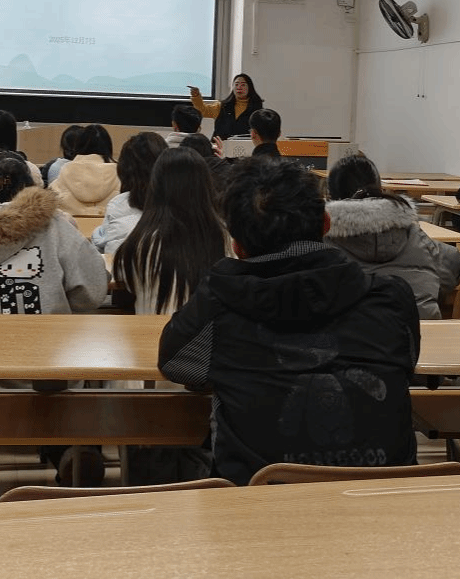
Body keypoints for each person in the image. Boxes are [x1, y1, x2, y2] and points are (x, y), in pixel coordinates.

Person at [158, 159, 420, 486]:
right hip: (385, 498)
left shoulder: (218, 303)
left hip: (259, 501)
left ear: (237, 246)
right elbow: (406, 364)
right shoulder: (391, 298)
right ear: (326, 223)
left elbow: (176, 365)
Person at [0, 152, 110, 503]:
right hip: (48, 369)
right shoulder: (54, 226)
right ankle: (74, 454)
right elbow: (92, 292)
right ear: (32, 190)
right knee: (60, 394)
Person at [113, 147, 225, 483]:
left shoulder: (139, 242)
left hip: (149, 373)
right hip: (206, 373)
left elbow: (126, 290)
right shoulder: (222, 238)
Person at [325, 153, 460, 319]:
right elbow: (454, 266)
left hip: (348, 333)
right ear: (380, 189)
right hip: (417, 332)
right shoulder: (415, 236)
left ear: (330, 196)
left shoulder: (321, 242)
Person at [91, 132, 167, 254]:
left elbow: (102, 247)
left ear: (124, 170)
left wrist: (96, 234)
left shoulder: (117, 204)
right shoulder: (178, 204)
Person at [49, 124, 119, 216]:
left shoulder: (63, 174)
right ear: (108, 148)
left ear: (78, 146)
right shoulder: (120, 177)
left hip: (71, 225)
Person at [187, 73, 264, 140]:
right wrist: (196, 96)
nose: (239, 87)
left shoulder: (256, 108)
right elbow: (203, 111)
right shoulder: (222, 106)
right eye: (236, 84)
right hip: (220, 146)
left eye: (243, 85)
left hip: (245, 147)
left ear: (250, 88)